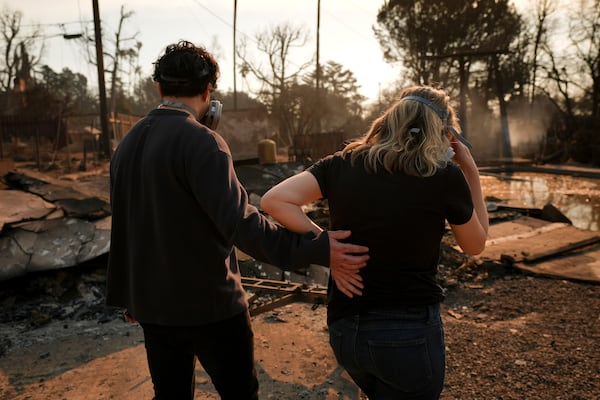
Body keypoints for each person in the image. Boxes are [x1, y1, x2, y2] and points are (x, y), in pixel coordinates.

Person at [106, 40, 369, 400]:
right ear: (208, 90)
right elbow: (244, 226)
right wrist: (316, 248)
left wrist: (129, 296)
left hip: (153, 308)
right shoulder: (203, 142)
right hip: (211, 307)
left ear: (158, 88)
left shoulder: (126, 145)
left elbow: (124, 227)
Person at [260, 85, 489, 399]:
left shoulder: (342, 163)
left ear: (390, 120)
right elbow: (476, 245)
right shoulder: (443, 176)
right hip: (407, 334)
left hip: (345, 330)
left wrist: (325, 242)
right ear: (443, 134)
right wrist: (470, 171)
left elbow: (275, 200)